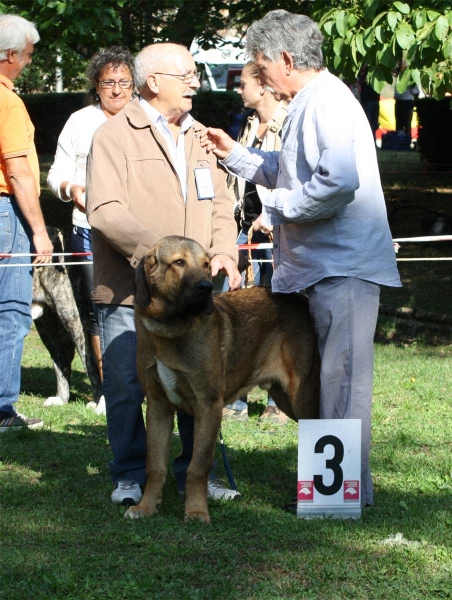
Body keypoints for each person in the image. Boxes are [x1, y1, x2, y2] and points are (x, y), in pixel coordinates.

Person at [201, 10, 402, 508]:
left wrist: (278, 209)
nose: (257, 74)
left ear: (286, 59)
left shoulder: (328, 102)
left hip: (343, 268)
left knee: (343, 387)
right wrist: (236, 155)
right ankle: (342, 494)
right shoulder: (308, 102)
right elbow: (286, 170)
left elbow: (336, 183)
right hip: (320, 268)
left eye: (260, 64)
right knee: (328, 385)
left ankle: (340, 500)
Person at [86, 42, 242, 506]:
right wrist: (155, 258)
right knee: (128, 385)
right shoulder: (113, 135)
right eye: (188, 74)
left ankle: (196, 473)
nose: (196, 82)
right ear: (154, 82)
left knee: (201, 382)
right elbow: (105, 209)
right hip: (132, 290)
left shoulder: (200, 136)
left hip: (194, 293)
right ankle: (130, 474)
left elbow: (220, 203)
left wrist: (225, 252)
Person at [47, 46, 134, 413]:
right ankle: (106, 390)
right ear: (96, 87)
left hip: (139, 231)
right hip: (89, 228)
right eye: (107, 82)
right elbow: (55, 175)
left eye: (124, 82)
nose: (116, 90)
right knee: (100, 308)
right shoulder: (80, 121)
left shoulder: (147, 118)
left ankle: (146, 383)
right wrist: (72, 190)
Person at [222, 60, 290, 425]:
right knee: (238, 313)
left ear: (263, 86)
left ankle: (278, 401)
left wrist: (273, 217)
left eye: (243, 83)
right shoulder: (248, 124)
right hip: (244, 228)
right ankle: (235, 399)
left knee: (274, 316)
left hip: (274, 231)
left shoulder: (289, 121)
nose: (239, 90)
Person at [0, 15, 53, 432]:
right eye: (29, 56)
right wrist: (38, 231)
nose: (29, 63)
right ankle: (2, 410)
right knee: (12, 311)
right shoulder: (7, 100)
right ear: (11, 54)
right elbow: (17, 170)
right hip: (4, 213)